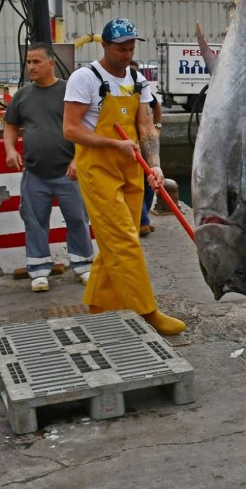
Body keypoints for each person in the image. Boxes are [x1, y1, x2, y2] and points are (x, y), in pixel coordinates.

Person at [63, 18, 185, 336]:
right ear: (104, 46)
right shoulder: (85, 78)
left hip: (131, 167)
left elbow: (145, 126)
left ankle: (99, 305)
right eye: (121, 49)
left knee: (116, 241)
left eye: (131, 48)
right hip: (98, 168)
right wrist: (113, 143)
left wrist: (155, 165)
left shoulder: (137, 79)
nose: (127, 55)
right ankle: (147, 310)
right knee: (125, 241)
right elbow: (71, 129)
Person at [3, 43, 95, 292]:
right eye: (29, 62)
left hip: (69, 173)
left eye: (36, 62)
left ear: (51, 64)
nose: (31, 67)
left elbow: (86, 127)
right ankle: (38, 270)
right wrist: (10, 149)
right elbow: (10, 125)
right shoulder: (22, 96)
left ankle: (83, 265)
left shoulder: (70, 92)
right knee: (34, 221)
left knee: (78, 218)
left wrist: (78, 159)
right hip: (35, 173)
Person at [129, 60, 161, 237]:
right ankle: (142, 221)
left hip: (144, 147)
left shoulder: (141, 88)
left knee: (148, 186)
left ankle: (143, 218)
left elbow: (156, 106)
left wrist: (158, 125)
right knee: (137, 186)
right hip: (129, 149)